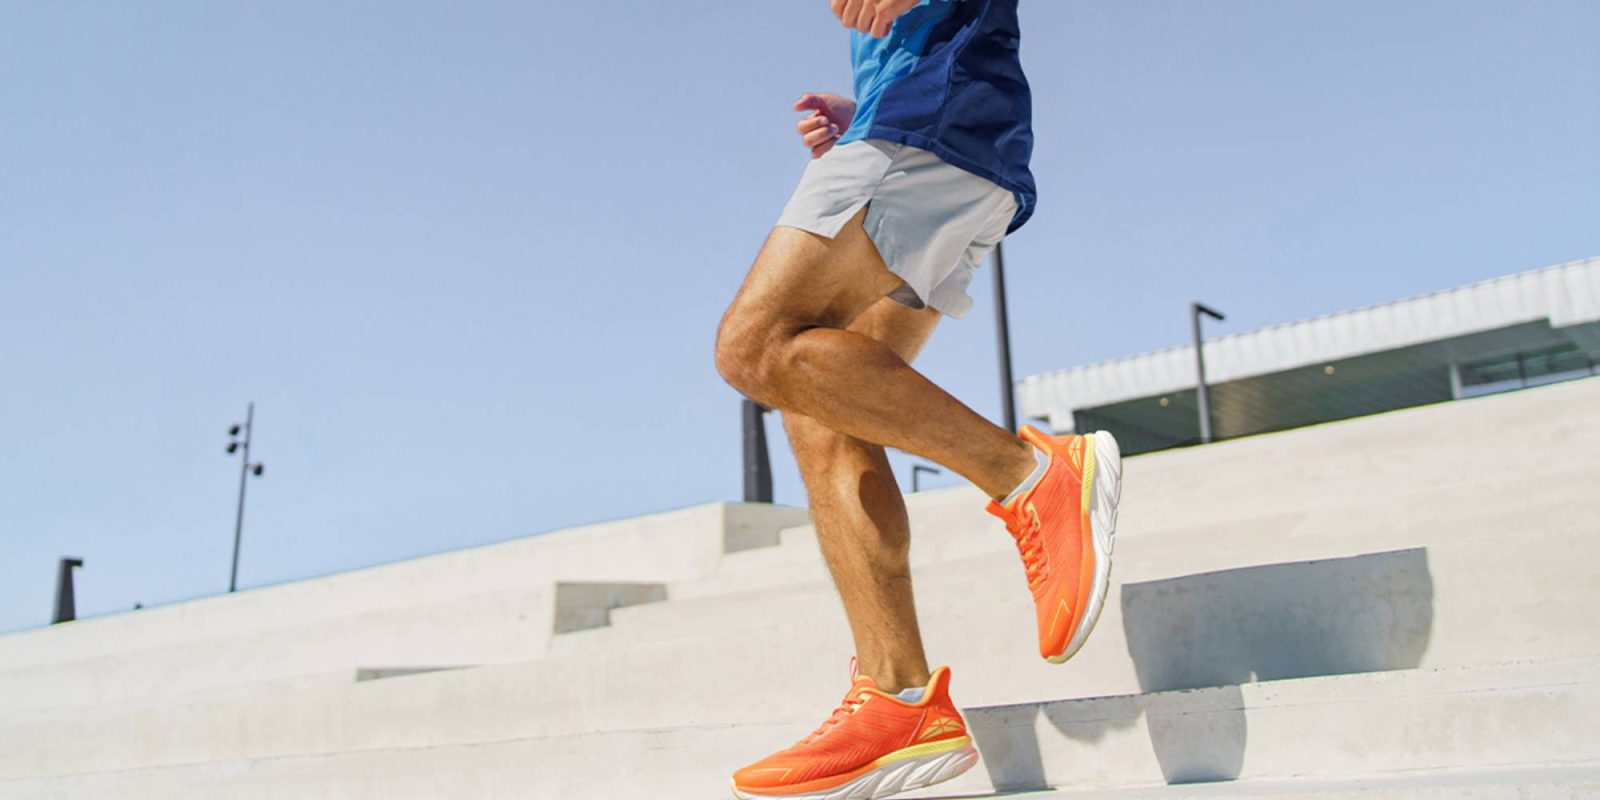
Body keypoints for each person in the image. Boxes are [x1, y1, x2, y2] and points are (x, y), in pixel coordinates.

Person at [714, 1, 1123, 797]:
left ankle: (1029, 477)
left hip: (933, 123)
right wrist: (860, 107)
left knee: (754, 345)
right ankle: (899, 700)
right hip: (927, 125)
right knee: (818, 401)